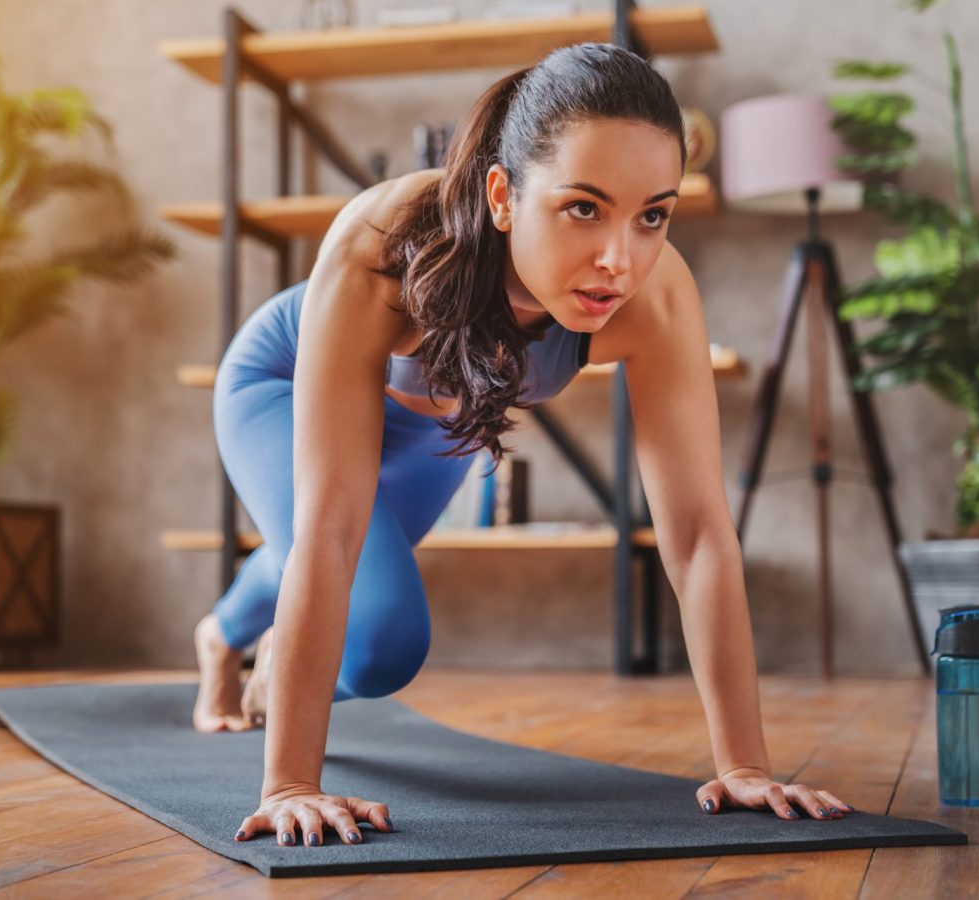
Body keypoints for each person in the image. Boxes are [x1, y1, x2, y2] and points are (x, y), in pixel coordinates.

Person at [192, 42, 856, 848]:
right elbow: (331, 529)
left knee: (368, 630)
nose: (621, 259)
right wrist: (291, 784)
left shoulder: (656, 295)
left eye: (653, 214)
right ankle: (229, 636)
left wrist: (745, 765)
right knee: (381, 639)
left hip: (440, 419)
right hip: (281, 388)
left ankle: (236, 635)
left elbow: (698, 536)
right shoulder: (384, 242)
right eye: (584, 207)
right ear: (504, 196)